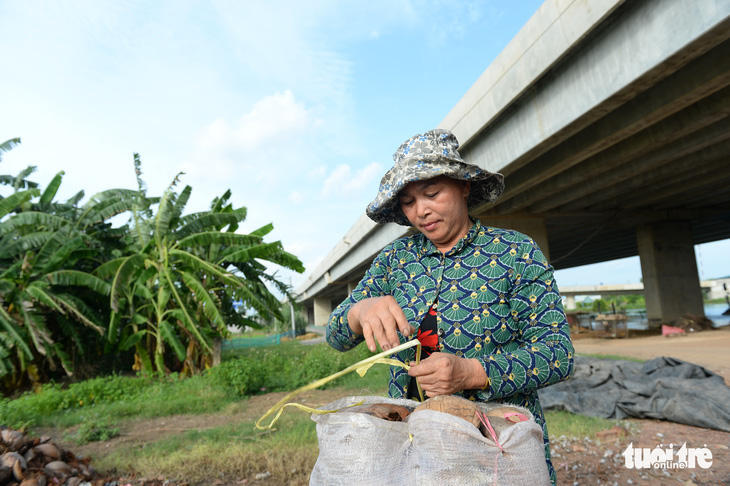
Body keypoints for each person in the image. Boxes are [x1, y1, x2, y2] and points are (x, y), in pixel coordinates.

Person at [326, 128, 574, 485]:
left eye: (431, 193)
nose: (421, 211)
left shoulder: (516, 253)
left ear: (464, 186)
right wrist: (357, 311)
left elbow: (557, 355)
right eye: (409, 202)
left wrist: (471, 373)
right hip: (414, 448)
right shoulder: (396, 260)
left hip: (497, 448)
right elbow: (336, 335)